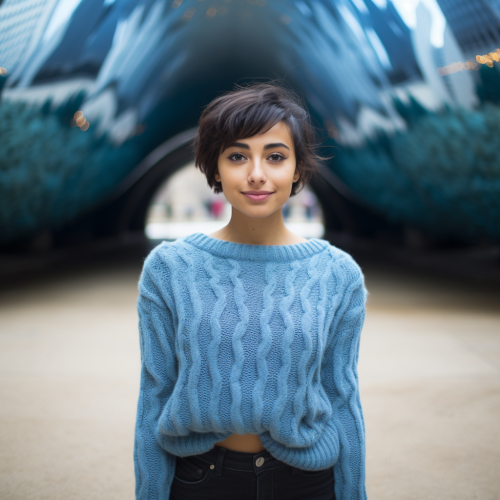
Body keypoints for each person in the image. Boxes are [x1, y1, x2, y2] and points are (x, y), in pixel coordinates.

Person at [134, 81, 368, 500]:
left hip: (307, 481)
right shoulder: (169, 269)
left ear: (297, 170)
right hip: (200, 480)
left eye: (275, 157)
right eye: (237, 156)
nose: (256, 173)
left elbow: (341, 396)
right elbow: (155, 392)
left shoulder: (338, 274)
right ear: (215, 167)